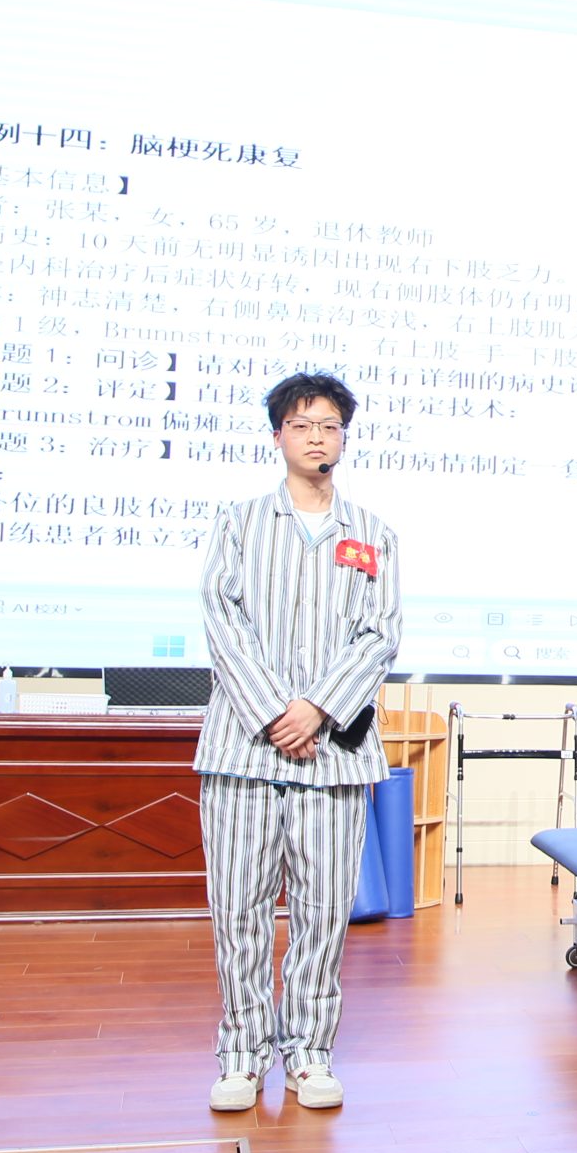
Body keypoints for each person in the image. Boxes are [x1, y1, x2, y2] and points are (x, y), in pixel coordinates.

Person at [195, 371, 401, 1111]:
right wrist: (274, 713)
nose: (318, 437)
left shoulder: (373, 534)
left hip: (333, 754)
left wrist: (315, 709)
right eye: (303, 424)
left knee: (322, 913)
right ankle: (242, 1055)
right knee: (240, 910)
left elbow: (379, 636)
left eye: (330, 426)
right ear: (278, 434)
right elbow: (222, 623)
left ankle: (310, 1053)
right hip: (242, 753)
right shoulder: (239, 524)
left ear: (344, 437)